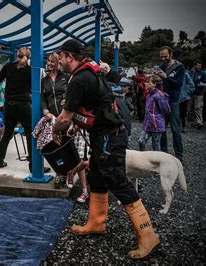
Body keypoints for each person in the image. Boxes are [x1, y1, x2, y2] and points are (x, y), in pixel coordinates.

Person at [52, 39, 160, 259]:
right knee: (97, 177)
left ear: (69, 57)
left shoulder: (79, 79)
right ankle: (96, 223)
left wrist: (56, 129)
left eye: (61, 56)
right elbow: (87, 109)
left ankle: (149, 235)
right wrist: (75, 126)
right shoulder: (87, 74)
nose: (59, 60)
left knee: (117, 180)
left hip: (110, 136)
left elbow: (64, 116)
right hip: (103, 134)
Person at [0, 47, 33, 171]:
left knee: (7, 134)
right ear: (28, 58)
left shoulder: (8, 66)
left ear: (17, 55)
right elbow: (33, 89)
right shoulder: (29, 70)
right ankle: (33, 165)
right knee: (29, 134)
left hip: (9, 106)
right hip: (23, 106)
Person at [41, 52, 70, 187]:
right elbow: (42, 98)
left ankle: (71, 170)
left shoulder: (66, 77)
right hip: (51, 118)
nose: (50, 63)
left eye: (53, 61)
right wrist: (46, 112)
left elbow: (72, 93)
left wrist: (67, 100)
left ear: (59, 62)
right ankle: (60, 173)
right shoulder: (44, 80)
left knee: (67, 145)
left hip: (65, 117)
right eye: (48, 61)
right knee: (55, 146)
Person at [156, 46, 185, 161]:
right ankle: (164, 154)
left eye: (165, 56)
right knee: (162, 128)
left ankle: (179, 155)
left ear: (171, 55)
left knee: (175, 129)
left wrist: (165, 77)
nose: (163, 59)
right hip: (162, 100)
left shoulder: (179, 67)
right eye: (161, 56)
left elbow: (178, 84)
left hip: (173, 101)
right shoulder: (161, 67)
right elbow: (159, 84)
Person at [138, 74, 171, 152]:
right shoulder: (149, 94)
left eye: (147, 82)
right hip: (147, 124)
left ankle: (157, 162)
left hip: (156, 125)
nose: (145, 84)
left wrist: (157, 119)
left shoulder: (159, 95)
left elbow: (167, 110)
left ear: (154, 84)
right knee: (141, 141)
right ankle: (145, 159)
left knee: (155, 146)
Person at [189, 61, 206, 129]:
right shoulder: (190, 73)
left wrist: (202, 84)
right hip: (190, 94)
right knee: (190, 109)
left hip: (199, 94)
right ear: (194, 66)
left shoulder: (203, 73)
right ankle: (191, 122)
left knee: (198, 108)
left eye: (200, 66)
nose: (200, 67)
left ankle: (199, 123)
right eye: (198, 66)